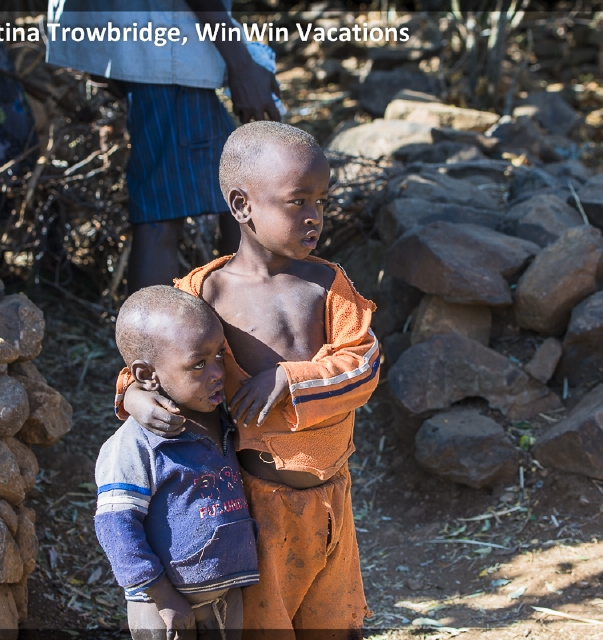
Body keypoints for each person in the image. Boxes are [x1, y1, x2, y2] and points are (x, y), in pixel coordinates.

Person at [116, 121, 380, 638]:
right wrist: (135, 397)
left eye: (321, 202)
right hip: (252, 508)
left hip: (331, 501)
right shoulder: (203, 293)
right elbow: (154, 362)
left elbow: (364, 365)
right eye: (297, 201)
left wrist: (291, 379)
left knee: (336, 622)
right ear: (242, 205)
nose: (314, 216)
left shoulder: (328, 284)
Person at [46, 0, 281, 292]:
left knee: (227, 195)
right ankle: (215, 316)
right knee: (162, 215)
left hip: (153, 48)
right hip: (167, 52)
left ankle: (232, 312)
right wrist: (241, 64)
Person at [95, 285, 259, 639]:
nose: (217, 372)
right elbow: (116, 529)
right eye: (199, 364)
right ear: (146, 376)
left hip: (225, 599)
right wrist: (164, 597)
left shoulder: (225, 421)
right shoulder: (134, 445)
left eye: (219, 355)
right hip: (162, 608)